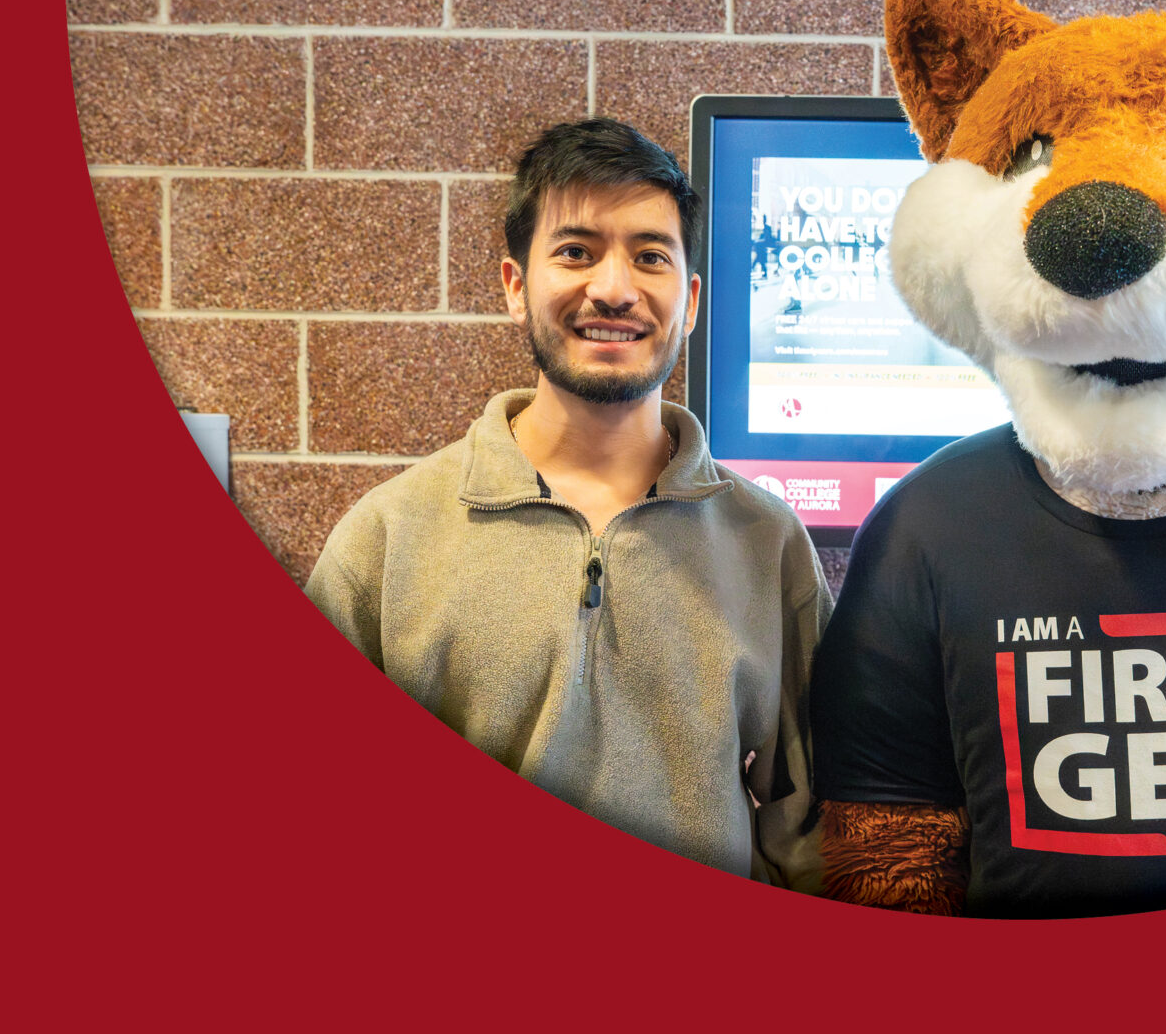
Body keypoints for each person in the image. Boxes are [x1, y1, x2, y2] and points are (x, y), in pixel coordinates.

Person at [305, 119, 831, 889]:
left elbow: (813, 828)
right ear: (516, 286)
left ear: (687, 301)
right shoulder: (387, 539)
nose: (614, 289)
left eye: (649, 256)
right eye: (576, 251)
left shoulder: (767, 543)